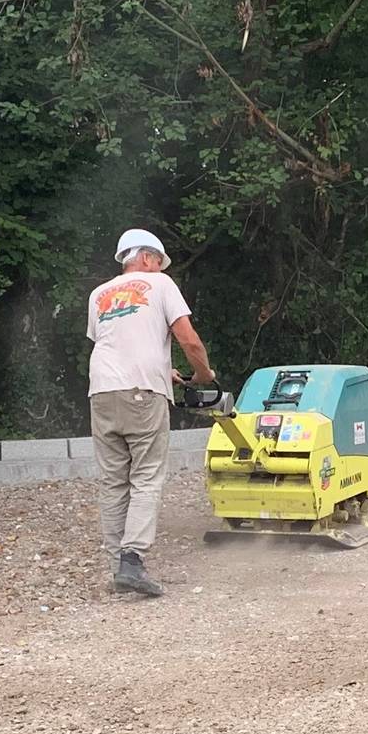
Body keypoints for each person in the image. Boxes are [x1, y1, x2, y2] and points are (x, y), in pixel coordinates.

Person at [84, 229, 216, 598]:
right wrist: (203, 374)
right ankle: (133, 561)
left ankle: (118, 569)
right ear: (144, 257)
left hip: (102, 392)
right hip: (143, 395)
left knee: (113, 482)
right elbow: (188, 339)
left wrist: (165, 370)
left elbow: (118, 342)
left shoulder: (98, 295)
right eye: (158, 260)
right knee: (146, 476)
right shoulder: (160, 285)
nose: (159, 267)